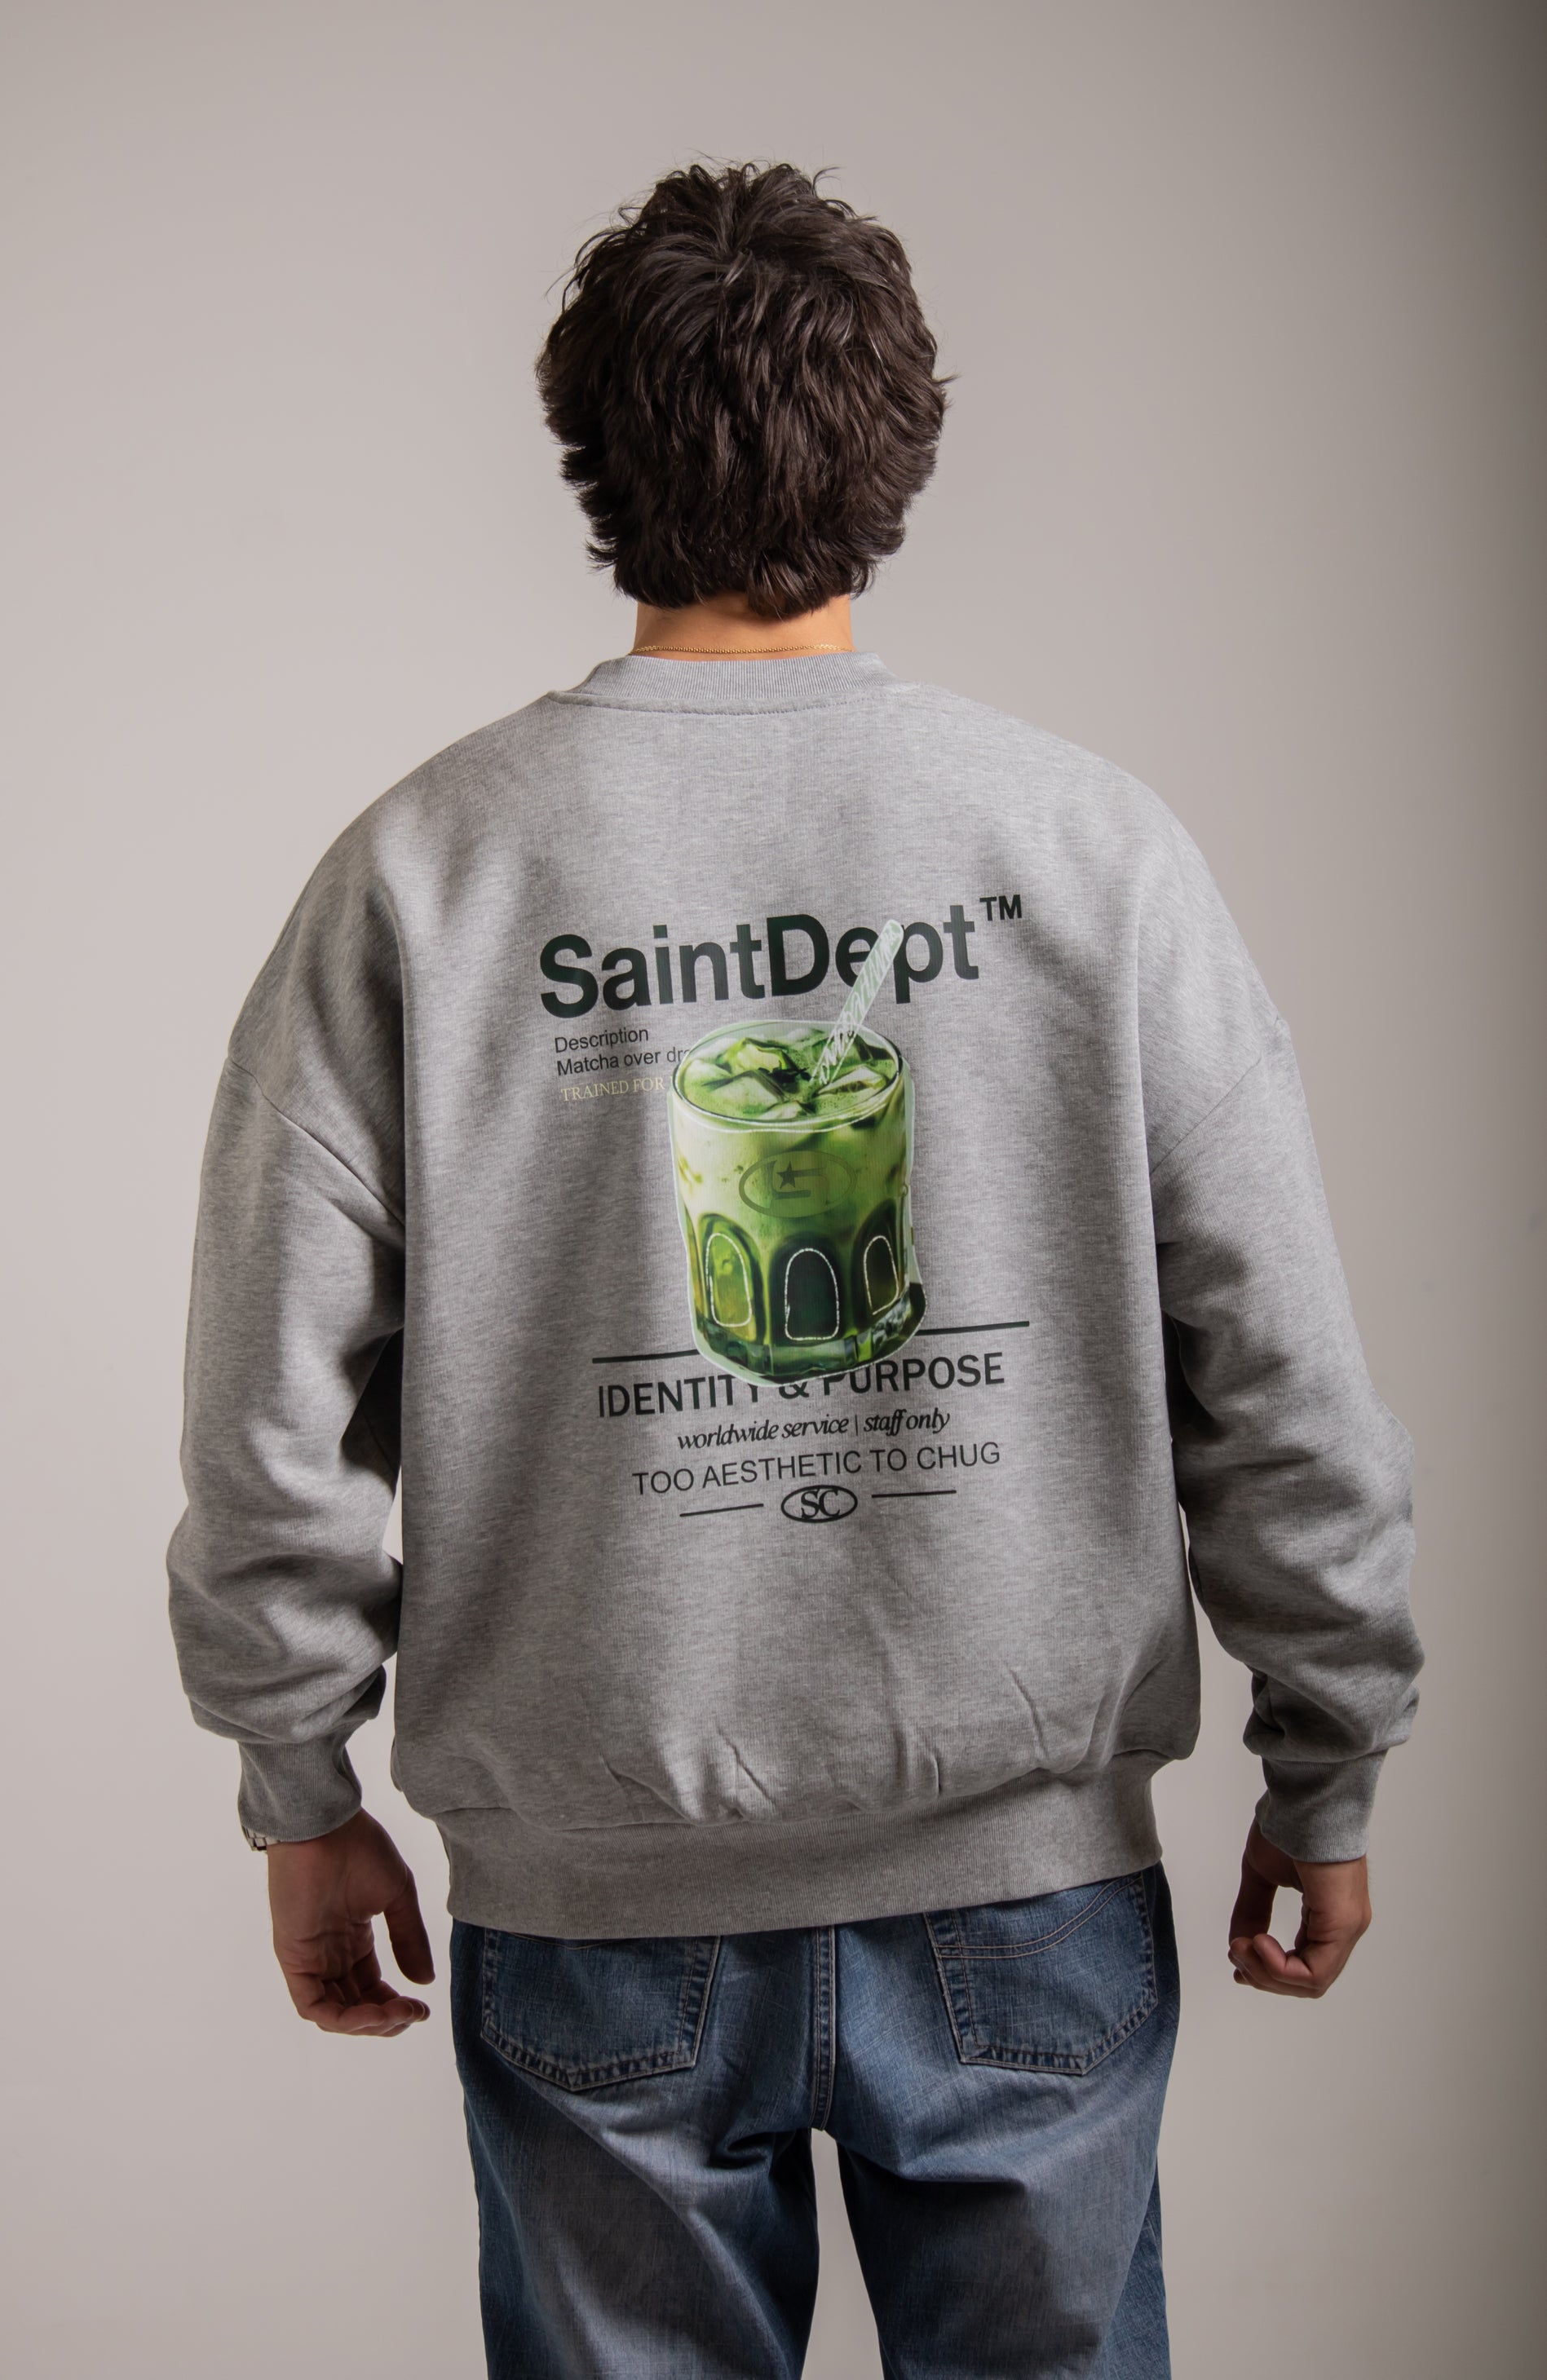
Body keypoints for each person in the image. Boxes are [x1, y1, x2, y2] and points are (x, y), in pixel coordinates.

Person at [168, 161, 1421, 2379]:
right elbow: (1278, 1369)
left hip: (596, 1912)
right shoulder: (1087, 851)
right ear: (898, 457)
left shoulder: (426, 872)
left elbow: (267, 1408)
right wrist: (1327, 1758)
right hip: (1027, 1892)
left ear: (590, 457)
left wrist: (302, 1790)